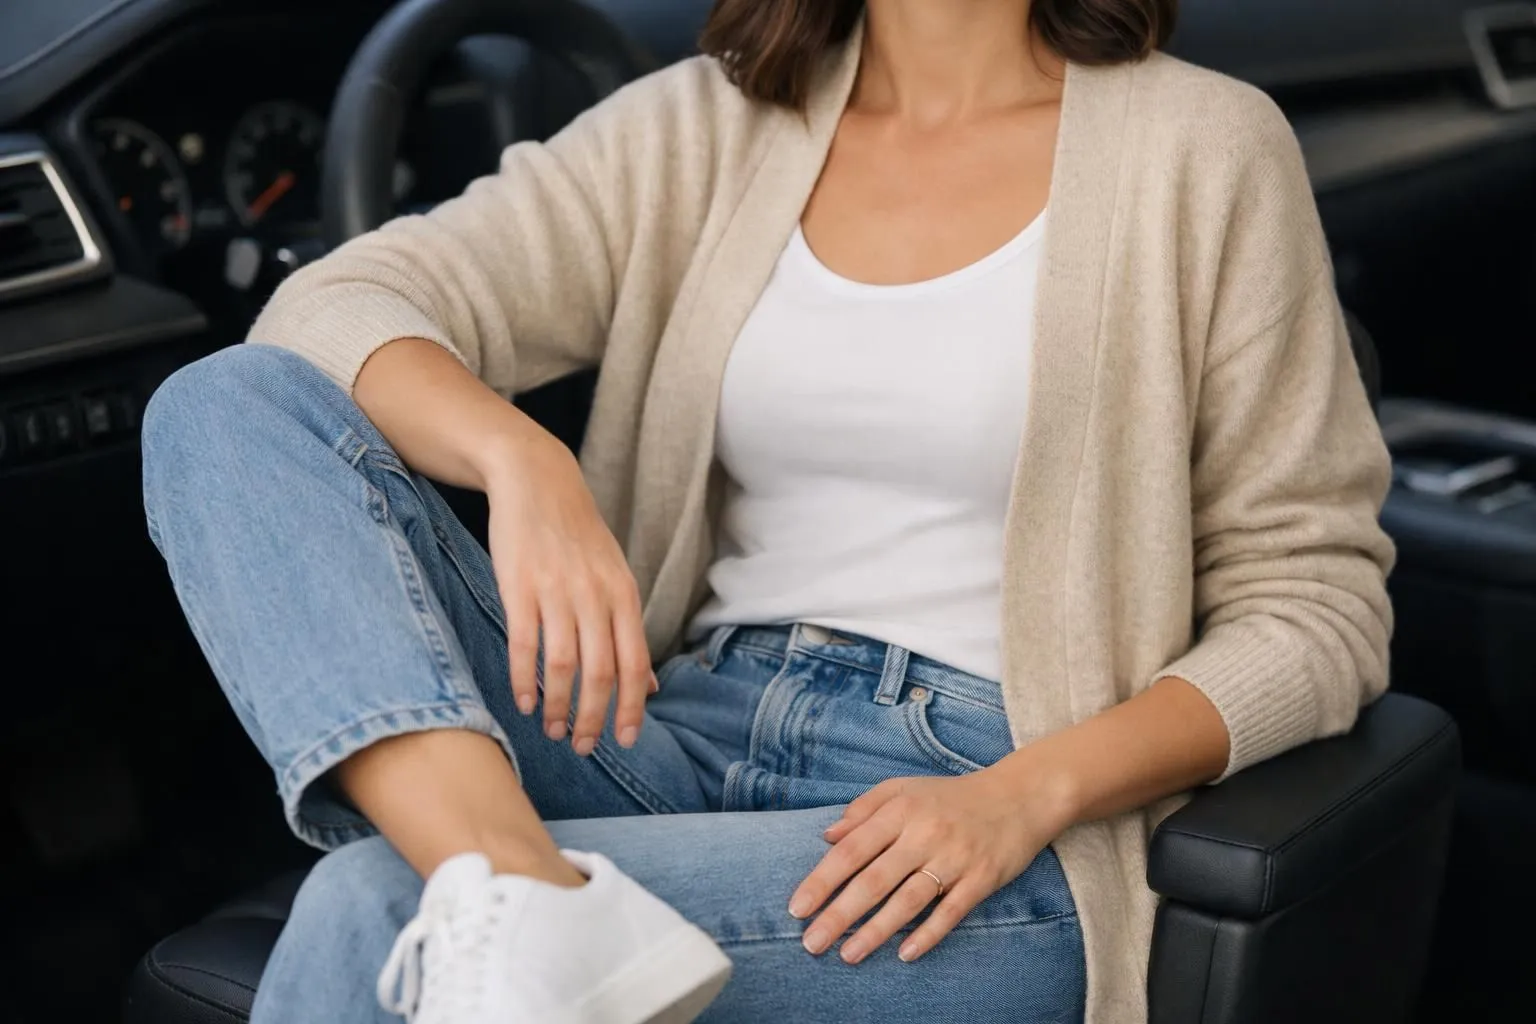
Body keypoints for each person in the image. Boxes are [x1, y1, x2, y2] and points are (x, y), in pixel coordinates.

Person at [140, 0, 1396, 1021]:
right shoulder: (704, 127)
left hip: (966, 809)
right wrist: (524, 460)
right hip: (664, 731)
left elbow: (1319, 601)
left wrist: (1031, 792)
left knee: (375, 905)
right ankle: (519, 893)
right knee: (227, 406)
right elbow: (329, 310)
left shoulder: (1205, 147)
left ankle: (512, 913)